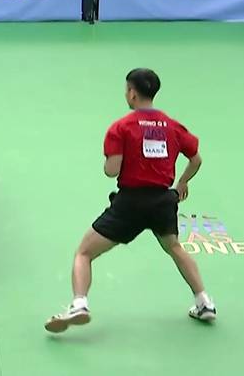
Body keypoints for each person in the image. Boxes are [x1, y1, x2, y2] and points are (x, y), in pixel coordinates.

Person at [44, 68, 217, 334]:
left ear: (132, 93)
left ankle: (79, 304)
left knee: (84, 253)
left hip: (130, 204)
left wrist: (113, 161)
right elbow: (196, 159)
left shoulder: (121, 127)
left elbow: (111, 170)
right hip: (162, 202)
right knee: (174, 248)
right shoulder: (172, 126)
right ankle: (204, 302)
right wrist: (182, 182)